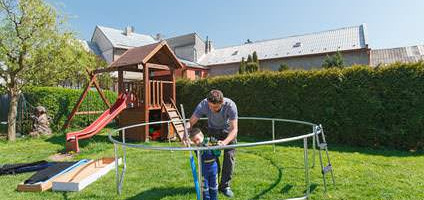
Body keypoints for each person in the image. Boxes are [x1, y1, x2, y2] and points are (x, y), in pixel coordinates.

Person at [188, 89, 238, 198]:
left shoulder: (230, 105)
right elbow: (191, 122)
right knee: (211, 157)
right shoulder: (204, 104)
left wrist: (224, 142)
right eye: (210, 106)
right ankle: (213, 183)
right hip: (213, 131)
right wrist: (184, 135)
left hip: (228, 132)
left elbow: (234, 129)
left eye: (215, 107)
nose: (211, 109)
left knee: (229, 157)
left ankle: (225, 186)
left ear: (222, 102)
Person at [190, 128, 221, 200]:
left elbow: (218, 153)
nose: (197, 142)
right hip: (203, 169)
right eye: (194, 141)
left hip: (213, 167)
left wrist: (216, 146)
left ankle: (214, 198)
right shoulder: (196, 147)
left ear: (202, 136)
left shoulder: (210, 142)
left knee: (214, 186)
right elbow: (191, 144)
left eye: (198, 139)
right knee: (204, 187)